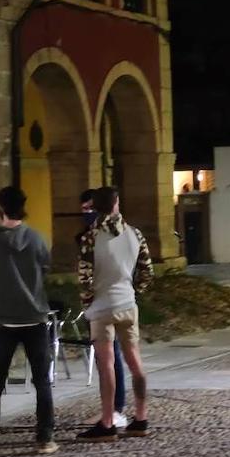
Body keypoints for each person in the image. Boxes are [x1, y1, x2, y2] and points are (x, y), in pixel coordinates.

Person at [0, 186, 58, 456]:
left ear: (0, 209)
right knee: (42, 381)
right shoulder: (36, 239)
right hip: (34, 317)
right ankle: (45, 438)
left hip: (4, 319)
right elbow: (45, 269)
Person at [76, 186, 152, 442]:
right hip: (128, 305)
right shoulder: (135, 234)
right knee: (135, 363)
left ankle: (107, 421)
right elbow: (147, 272)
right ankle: (140, 418)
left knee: (107, 366)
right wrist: (134, 291)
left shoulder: (90, 237)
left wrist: (88, 303)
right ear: (117, 202)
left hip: (102, 308)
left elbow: (84, 278)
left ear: (95, 207)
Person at [78, 189, 127, 428]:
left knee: (111, 357)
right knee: (109, 358)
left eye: (90, 208)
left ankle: (115, 411)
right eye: (83, 210)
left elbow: (86, 277)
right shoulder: (88, 236)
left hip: (106, 303)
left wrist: (88, 303)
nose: (87, 213)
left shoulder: (102, 236)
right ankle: (116, 410)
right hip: (113, 302)